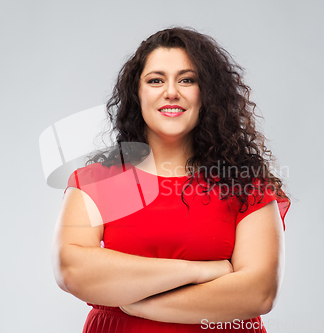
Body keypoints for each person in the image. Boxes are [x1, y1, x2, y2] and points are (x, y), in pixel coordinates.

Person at [52, 26, 291, 332]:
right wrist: (203, 271)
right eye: (155, 80)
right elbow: (72, 270)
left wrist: (139, 304)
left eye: (187, 80)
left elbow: (259, 292)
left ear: (206, 94)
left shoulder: (245, 184)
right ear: (137, 94)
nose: (171, 92)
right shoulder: (99, 182)